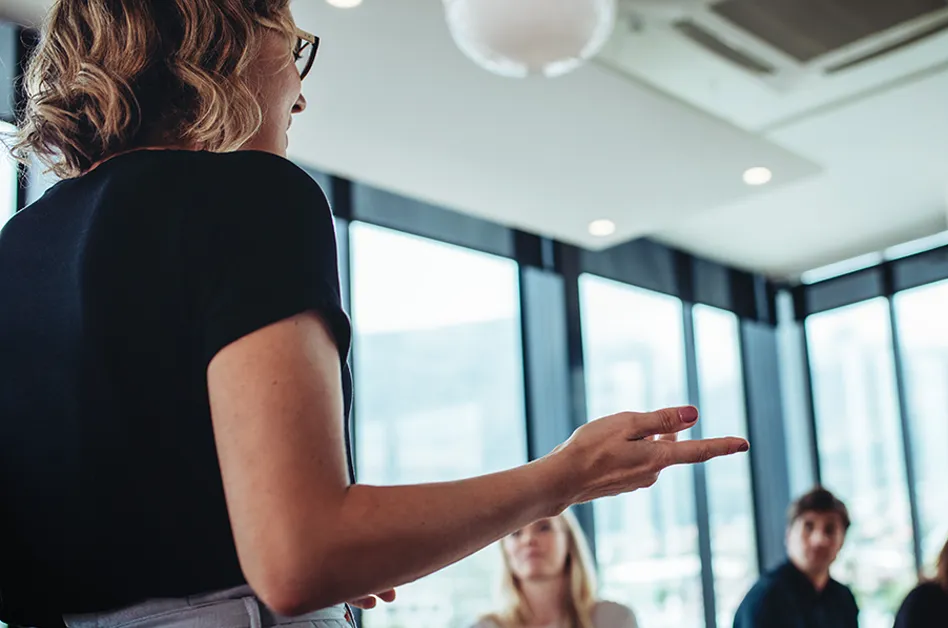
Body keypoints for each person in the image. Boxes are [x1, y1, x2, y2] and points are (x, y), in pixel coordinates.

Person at [0, 1, 750, 627]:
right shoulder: (252, 193)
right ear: (221, 42)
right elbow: (300, 558)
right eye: (295, 49)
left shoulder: (17, 246)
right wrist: (564, 476)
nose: (299, 94)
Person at [470, 511, 636, 628]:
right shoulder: (485, 626)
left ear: (569, 542)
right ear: (505, 551)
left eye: (544, 528)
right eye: (515, 533)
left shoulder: (615, 619)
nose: (528, 540)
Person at [733, 488, 858, 628]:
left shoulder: (843, 599)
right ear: (788, 535)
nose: (818, 540)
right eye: (808, 527)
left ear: (842, 541)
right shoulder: (765, 599)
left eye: (829, 530)